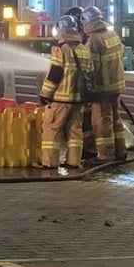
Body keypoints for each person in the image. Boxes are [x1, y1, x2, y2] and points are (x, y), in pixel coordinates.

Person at [36, 15, 92, 169]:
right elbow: (90, 73)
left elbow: (55, 74)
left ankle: (49, 163)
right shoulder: (84, 50)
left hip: (60, 99)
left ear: (61, 30)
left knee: (51, 130)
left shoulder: (61, 49)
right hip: (78, 100)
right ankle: (73, 161)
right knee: (75, 132)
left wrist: (45, 95)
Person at [81, 6, 126, 162]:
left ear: (87, 22)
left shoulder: (94, 40)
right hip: (117, 84)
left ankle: (106, 154)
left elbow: (91, 67)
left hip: (102, 88)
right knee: (116, 119)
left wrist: (87, 88)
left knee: (102, 121)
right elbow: (122, 53)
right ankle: (121, 150)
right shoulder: (112, 34)